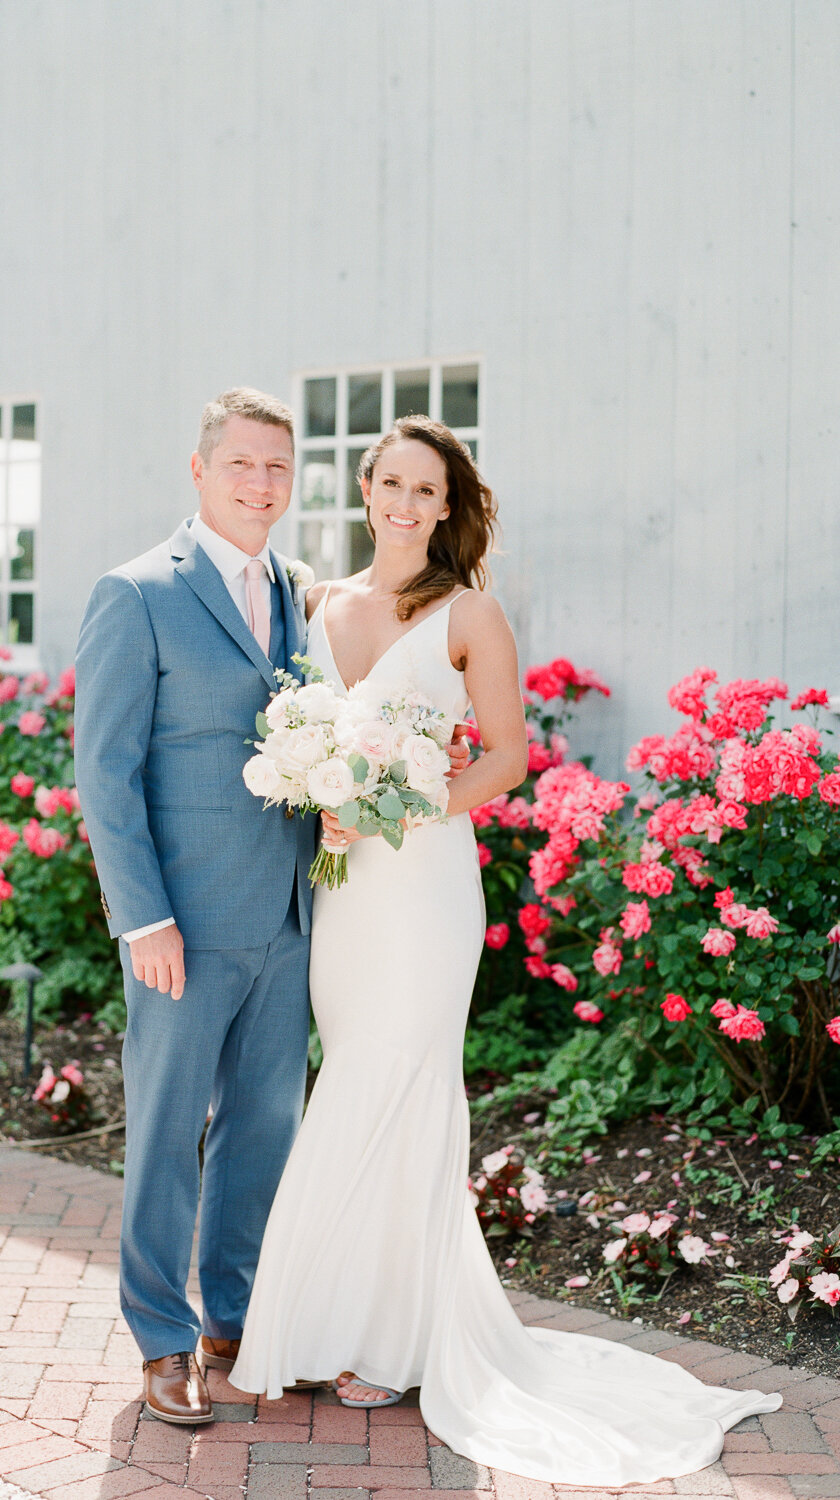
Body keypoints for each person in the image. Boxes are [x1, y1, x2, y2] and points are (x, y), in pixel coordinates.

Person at [228, 416, 782, 1486]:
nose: (402, 503)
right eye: (388, 482)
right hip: (341, 896)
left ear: (446, 507)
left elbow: (511, 758)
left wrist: (399, 803)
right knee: (348, 1078)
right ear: (366, 489)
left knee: (400, 1084)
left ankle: (389, 1344)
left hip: (425, 883)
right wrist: (320, 794)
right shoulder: (315, 604)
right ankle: (332, 1323)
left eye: (423, 490)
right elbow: (292, 738)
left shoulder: (468, 611)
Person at [74, 386, 472, 1425]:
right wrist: (141, 918)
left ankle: (236, 1318)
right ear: (199, 470)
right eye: (242, 464)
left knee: (261, 1131)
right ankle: (162, 1341)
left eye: (278, 469)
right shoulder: (136, 594)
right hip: (183, 928)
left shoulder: (299, 591)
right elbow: (104, 775)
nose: (261, 484)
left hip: (299, 918)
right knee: (165, 1134)